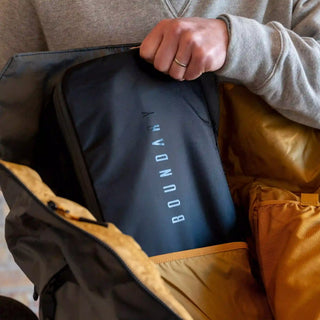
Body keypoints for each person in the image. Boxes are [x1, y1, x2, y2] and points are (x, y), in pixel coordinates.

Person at [0, 0, 319, 128]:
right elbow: (14, 141)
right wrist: (69, 264)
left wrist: (242, 46)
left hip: (289, 251)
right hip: (110, 261)